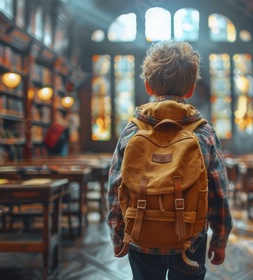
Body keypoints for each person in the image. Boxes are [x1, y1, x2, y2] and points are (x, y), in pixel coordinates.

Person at [106, 40, 233, 280]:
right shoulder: (204, 133)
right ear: (191, 90)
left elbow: (115, 187)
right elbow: (219, 192)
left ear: (147, 85)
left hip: (141, 236)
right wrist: (220, 238)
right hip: (189, 240)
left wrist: (117, 235)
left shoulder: (131, 132)